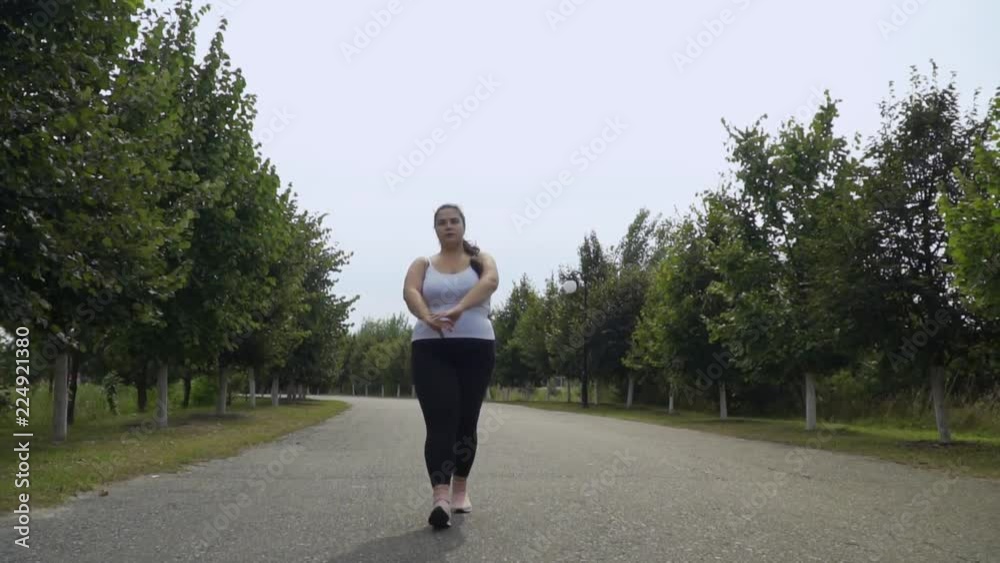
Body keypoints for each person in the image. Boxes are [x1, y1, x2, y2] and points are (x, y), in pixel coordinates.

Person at [402, 203, 499, 529]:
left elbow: (491, 282)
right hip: (431, 349)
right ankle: (440, 498)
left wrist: (459, 308)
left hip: (476, 348)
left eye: (454, 221)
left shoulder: (480, 260)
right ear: (435, 229)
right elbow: (410, 291)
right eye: (442, 222)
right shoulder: (423, 264)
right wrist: (427, 316)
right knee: (440, 422)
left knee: (466, 422)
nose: (448, 226)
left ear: (463, 225)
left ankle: (460, 490)